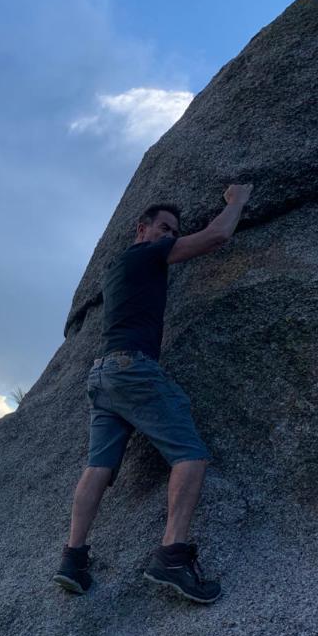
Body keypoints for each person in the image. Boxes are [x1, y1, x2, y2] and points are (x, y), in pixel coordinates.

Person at [53, 183, 254, 604]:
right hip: (133, 369)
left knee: (98, 468)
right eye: (164, 227)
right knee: (190, 455)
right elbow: (217, 237)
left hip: (102, 376)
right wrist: (236, 201)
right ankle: (172, 556)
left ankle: (73, 559)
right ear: (140, 229)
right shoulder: (147, 254)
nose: (169, 235)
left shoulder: (116, 268)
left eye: (173, 230)